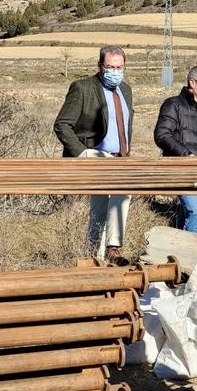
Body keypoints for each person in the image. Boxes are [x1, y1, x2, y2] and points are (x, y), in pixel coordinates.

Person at [54, 45, 133, 265]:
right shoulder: (82, 88)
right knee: (115, 198)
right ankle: (109, 250)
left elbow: (126, 125)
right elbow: (62, 125)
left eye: (119, 67)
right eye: (110, 67)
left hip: (121, 158)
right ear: (100, 66)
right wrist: (82, 153)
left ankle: (98, 253)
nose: (115, 71)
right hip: (96, 155)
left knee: (111, 201)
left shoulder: (125, 90)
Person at [154, 65, 197, 234]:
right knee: (195, 213)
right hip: (182, 168)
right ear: (192, 82)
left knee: (188, 212)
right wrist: (185, 154)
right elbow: (162, 135)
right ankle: (194, 253)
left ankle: (177, 249)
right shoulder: (173, 104)